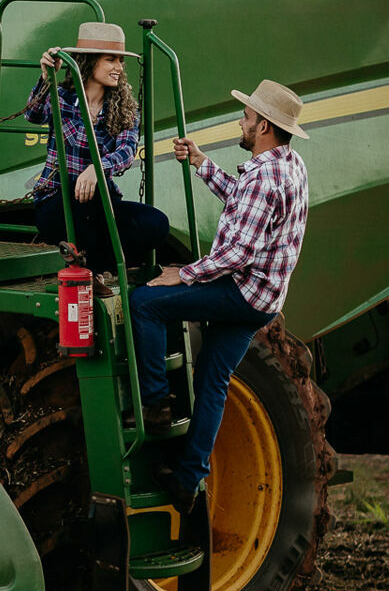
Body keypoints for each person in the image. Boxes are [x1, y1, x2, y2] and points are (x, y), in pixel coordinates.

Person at [129, 80, 311, 512]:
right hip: (265, 299)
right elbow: (244, 206)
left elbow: (238, 254)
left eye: (247, 117)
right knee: (213, 379)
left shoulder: (265, 177)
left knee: (144, 304)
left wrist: (184, 274)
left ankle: (154, 405)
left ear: (263, 126)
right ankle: (187, 479)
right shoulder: (289, 164)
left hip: (241, 291)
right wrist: (201, 163)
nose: (241, 123)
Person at [22, 21, 171, 276]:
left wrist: (97, 168)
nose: (119, 67)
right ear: (90, 62)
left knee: (155, 223)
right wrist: (46, 78)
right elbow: (32, 115)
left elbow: (126, 152)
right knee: (88, 198)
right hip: (57, 203)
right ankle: (95, 270)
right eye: (110, 60)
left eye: (121, 61)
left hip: (99, 203)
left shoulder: (125, 107)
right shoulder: (62, 96)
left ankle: (94, 269)